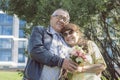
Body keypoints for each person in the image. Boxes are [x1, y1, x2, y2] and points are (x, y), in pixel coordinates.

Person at [23, 9, 78, 80]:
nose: (61, 20)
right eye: (58, 17)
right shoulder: (40, 31)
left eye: (64, 19)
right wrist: (60, 62)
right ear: (51, 18)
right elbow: (35, 51)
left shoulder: (66, 39)